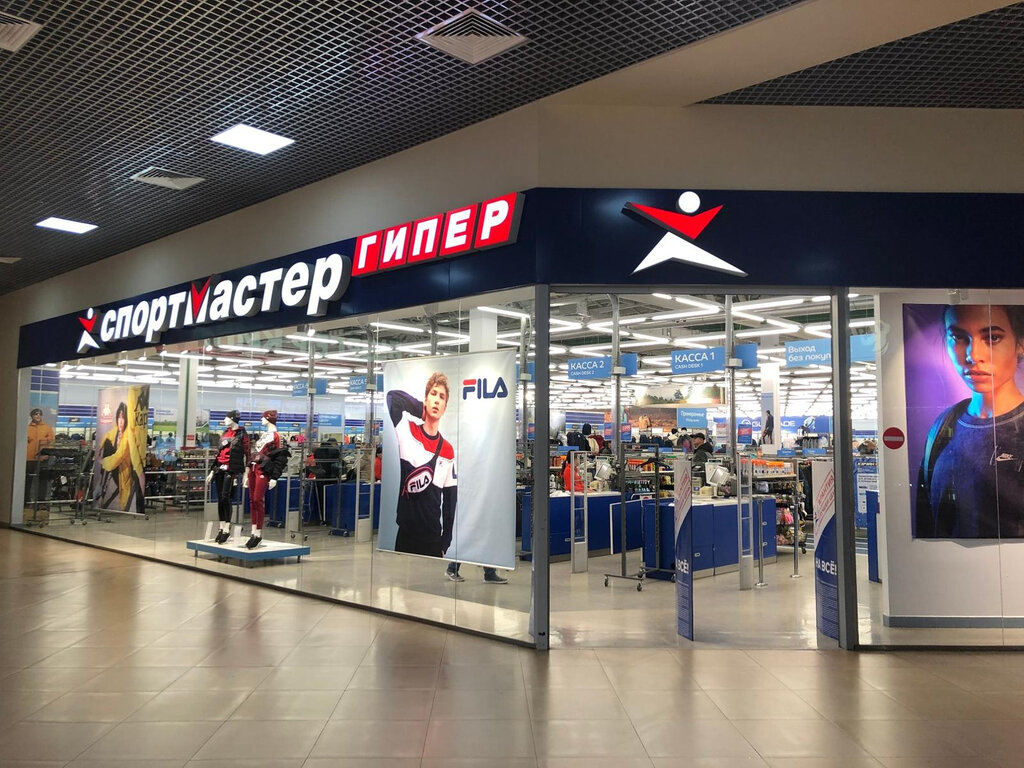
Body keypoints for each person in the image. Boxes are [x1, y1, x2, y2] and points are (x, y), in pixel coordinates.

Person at [916, 304, 1024, 538]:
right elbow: (927, 522)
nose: (973, 355)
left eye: (992, 338)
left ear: (1020, 343)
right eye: (958, 337)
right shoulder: (944, 425)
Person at [387, 372, 457, 557]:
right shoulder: (407, 431)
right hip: (405, 535)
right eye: (433, 394)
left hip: (432, 540)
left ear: (445, 407)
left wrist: (445, 542)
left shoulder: (448, 450)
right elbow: (393, 398)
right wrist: (421, 409)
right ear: (426, 399)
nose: (437, 400)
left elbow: (450, 501)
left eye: (442, 397)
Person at [244, 410, 289, 549]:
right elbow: (253, 454)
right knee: (252, 500)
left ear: (269, 419)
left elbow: (281, 458)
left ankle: (258, 533)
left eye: (263, 417)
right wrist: (247, 473)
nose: (261, 420)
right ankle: (253, 532)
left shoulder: (277, 437)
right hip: (253, 469)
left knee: (258, 499)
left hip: (264, 470)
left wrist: (275, 476)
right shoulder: (264, 435)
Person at [206, 410, 249, 544]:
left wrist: (246, 473)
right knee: (220, 498)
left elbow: (247, 454)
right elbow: (219, 454)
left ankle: (227, 529)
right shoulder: (225, 433)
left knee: (226, 497)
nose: (224, 420)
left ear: (232, 419)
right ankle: (221, 527)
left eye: (226, 418)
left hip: (231, 470)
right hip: (219, 469)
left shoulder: (242, 435)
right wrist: (212, 471)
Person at [98, 401, 145, 514]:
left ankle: (101, 487)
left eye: (123, 417)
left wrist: (102, 461)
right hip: (117, 468)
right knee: (107, 443)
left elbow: (119, 456)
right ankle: (100, 486)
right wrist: (99, 448)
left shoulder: (128, 435)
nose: (120, 421)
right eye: (119, 417)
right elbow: (108, 435)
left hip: (125, 470)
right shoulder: (116, 431)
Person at [26, 407, 55, 514]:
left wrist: (47, 454)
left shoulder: (47, 428)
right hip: (29, 458)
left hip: (43, 459)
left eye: (39, 414)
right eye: (35, 414)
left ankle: (41, 502)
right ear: (32, 416)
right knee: (27, 481)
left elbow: (52, 442)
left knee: (43, 481)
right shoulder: (27, 428)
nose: (38, 416)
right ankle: (26, 501)